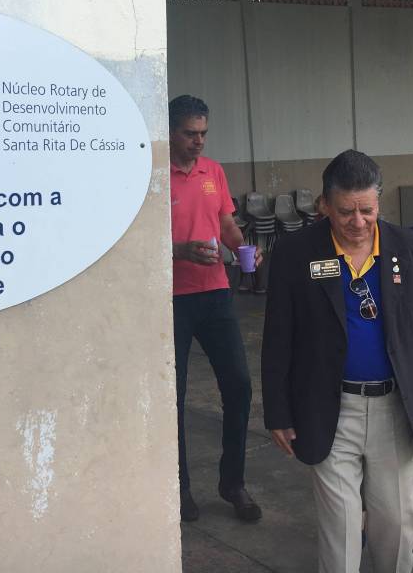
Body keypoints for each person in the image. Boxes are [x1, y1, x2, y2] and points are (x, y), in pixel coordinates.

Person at [262, 150, 413, 573]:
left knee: (397, 523)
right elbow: (278, 336)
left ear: (378, 202)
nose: (357, 222)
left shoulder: (411, 249)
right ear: (324, 204)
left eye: (367, 210)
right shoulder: (296, 252)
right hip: (329, 407)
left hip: (395, 408)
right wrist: (278, 411)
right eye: (345, 211)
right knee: (341, 528)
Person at [169, 94, 262, 523]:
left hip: (215, 292)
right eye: (190, 133)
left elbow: (226, 223)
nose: (199, 141)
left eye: (203, 133)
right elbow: (135, 239)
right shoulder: (151, 176)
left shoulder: (214, 171)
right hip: (171, 299)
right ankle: (180, 489)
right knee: (175, 396)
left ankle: (233, 483)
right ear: (170, 132)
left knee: (239, 386)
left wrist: (244, 249)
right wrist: (180, 250)